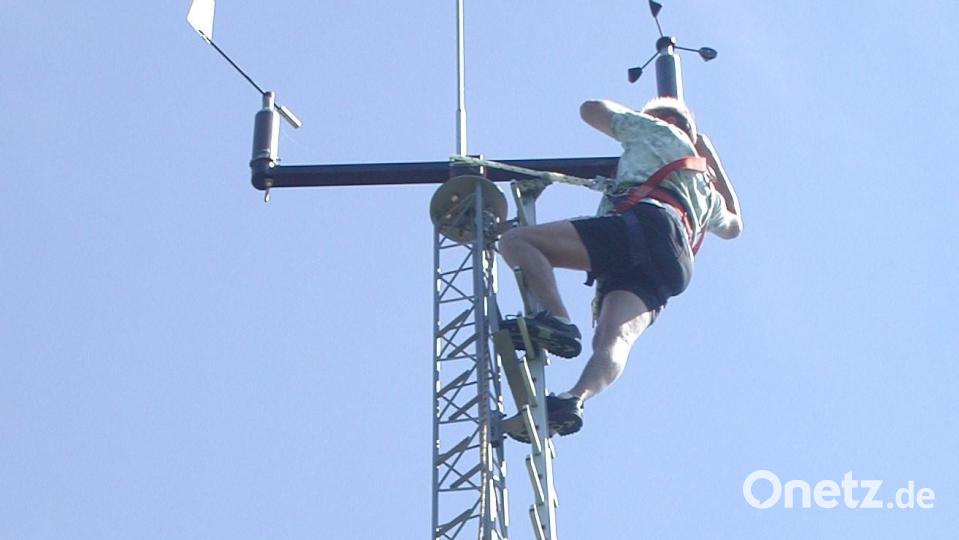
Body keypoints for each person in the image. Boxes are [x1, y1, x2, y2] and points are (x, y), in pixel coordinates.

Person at [498, 96, 742, 441]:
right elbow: (734, 227)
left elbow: (590, 109)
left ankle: (556, 320)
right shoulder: (705, 189)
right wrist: (711, 157)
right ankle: (574, 399)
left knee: (518, 242)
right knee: (616, 337)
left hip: (646, 225)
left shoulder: (658, 129)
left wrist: (636, 120)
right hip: (673, 262)